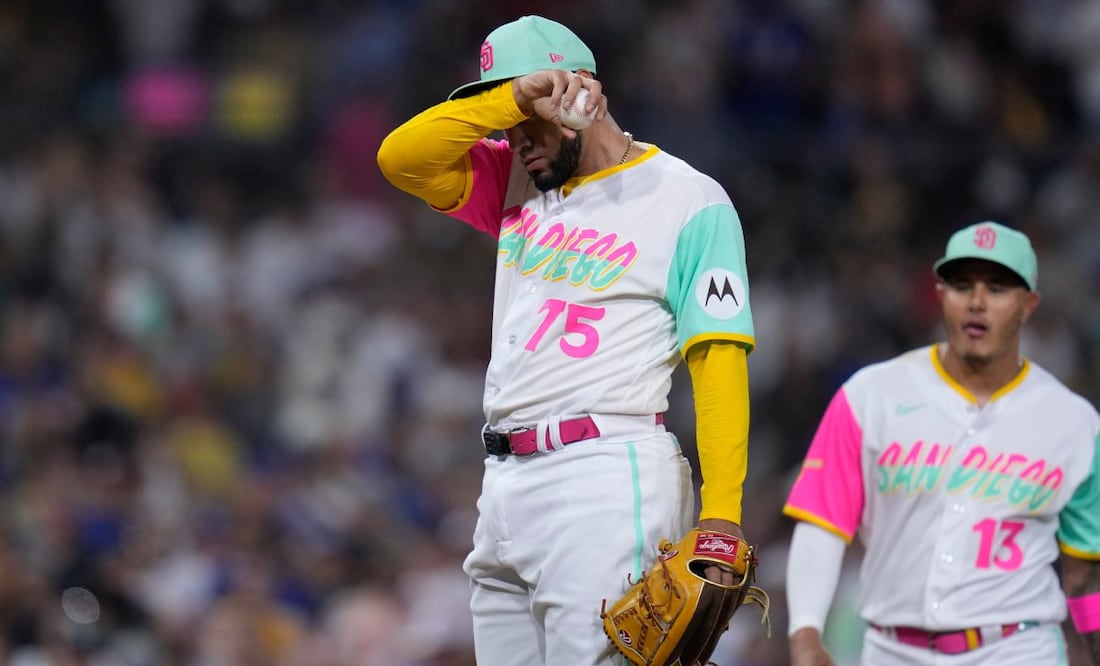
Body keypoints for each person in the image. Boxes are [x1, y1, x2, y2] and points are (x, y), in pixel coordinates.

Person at [376, 14, 757, 666]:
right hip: (502, 485)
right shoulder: (517, 180)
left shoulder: (689, 199)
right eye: (508, 122)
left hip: (605, 474)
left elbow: (717, 359)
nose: (514, 137)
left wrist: (721, 515)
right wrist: (516, 99)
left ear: (582, 90)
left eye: (530, 120)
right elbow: (401, 159)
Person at [783, 220, 1100, 665]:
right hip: (890, 649)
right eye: (961, 285)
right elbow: (822, 522)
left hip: (1017, 648)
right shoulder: (869, 395)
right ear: (939, 295)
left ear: (1029, 304)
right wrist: (805, 633)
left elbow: (1085, 570)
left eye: (998, 287)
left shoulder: (1074, 423)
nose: (977, 302)